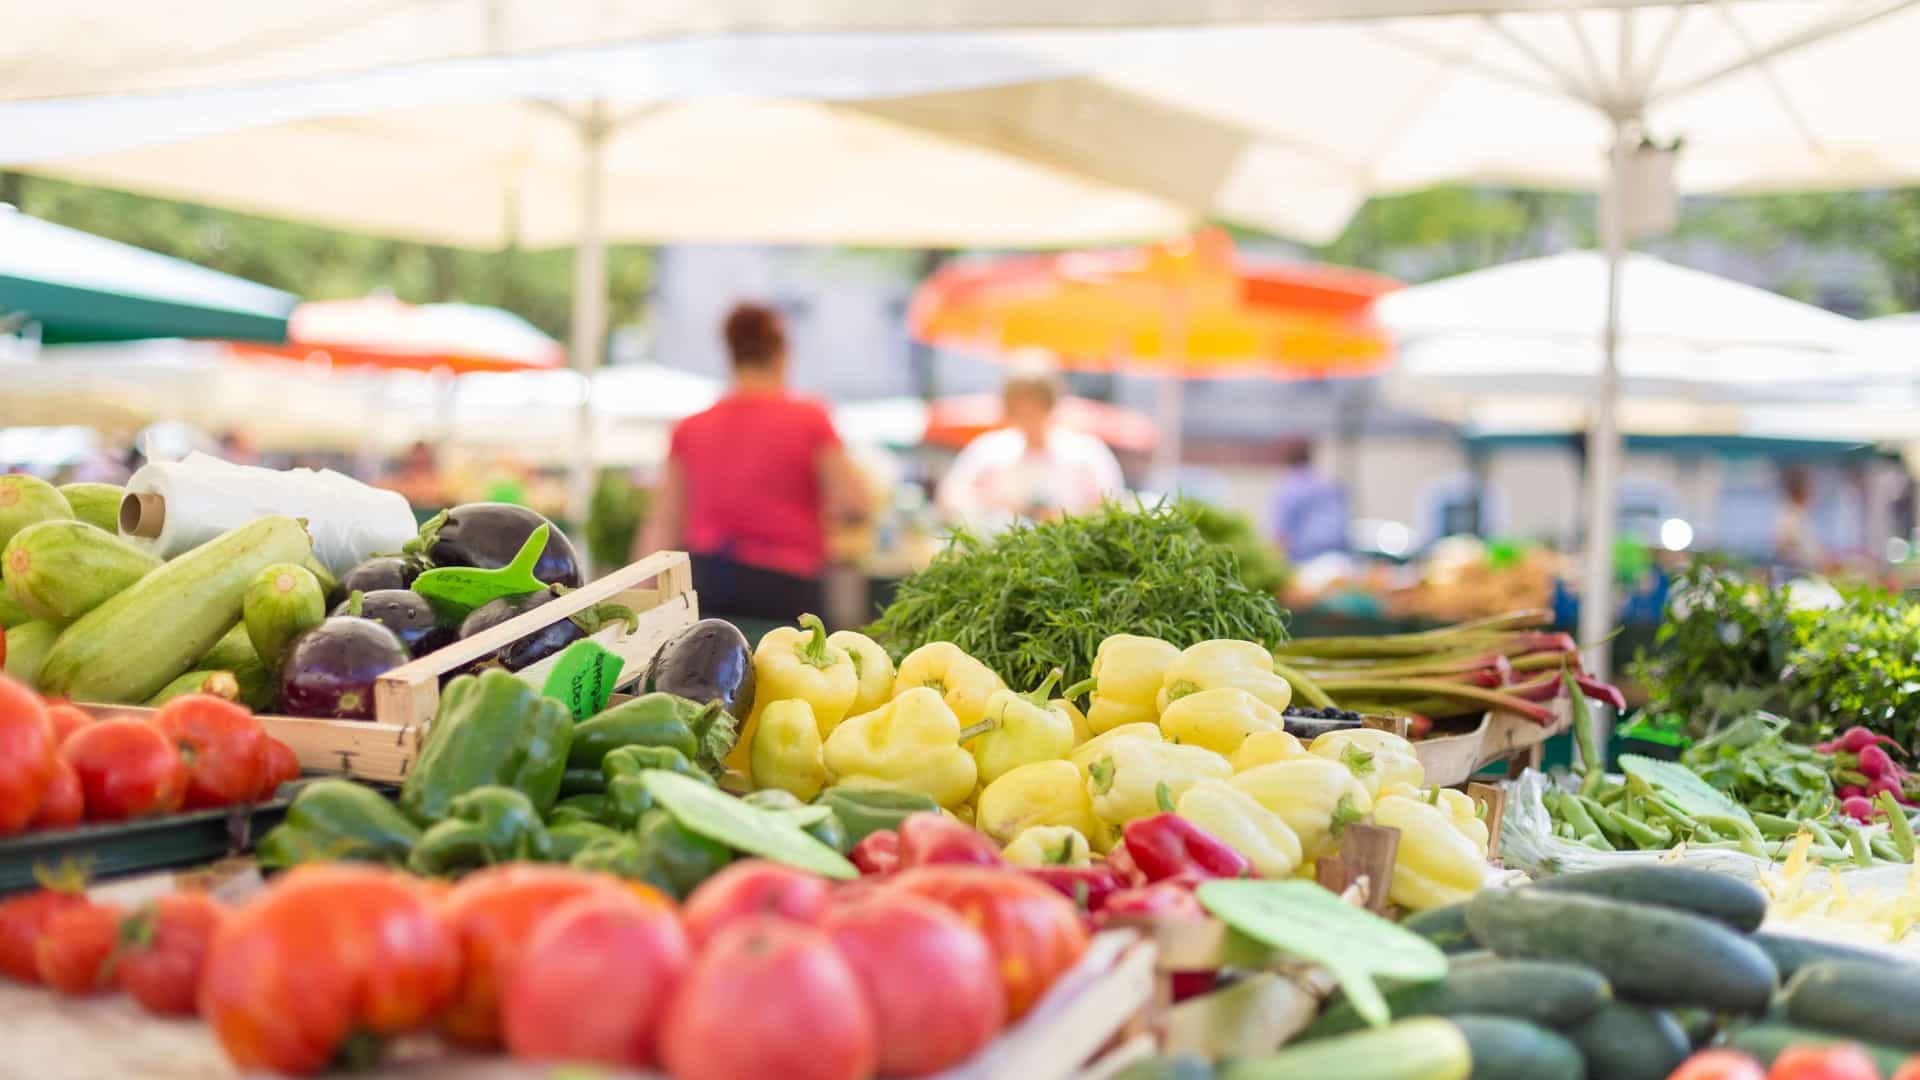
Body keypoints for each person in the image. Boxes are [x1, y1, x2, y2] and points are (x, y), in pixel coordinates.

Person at [638, 302, 869, 622]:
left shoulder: (691, 427)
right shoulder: (810, 419)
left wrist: (641, 597)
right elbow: (854, 502)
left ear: (732, 355)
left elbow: (664, 520)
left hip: (708, 582)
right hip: (788, 586)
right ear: (782, 354)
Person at [935, 352, 1127, 532]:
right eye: (1021, 406)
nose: (1028, 413)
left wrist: (1065, 515)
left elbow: (1112, 505)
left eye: (1036, 404)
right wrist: (993, 503)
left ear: (1050, 403)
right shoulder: (990, 451)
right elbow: (950, 496)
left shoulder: (1086, 454)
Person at [1267, 438, 1347, 560]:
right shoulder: (1329, 484)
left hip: (1302, 561)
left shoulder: (1288, 488)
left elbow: (1280, 534)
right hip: (1337, 559)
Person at [1774, 466, 1824, 569]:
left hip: (1809, 570)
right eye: (1809, 489)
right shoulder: (1789, 516)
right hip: (1799, 572)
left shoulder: (1800, 514)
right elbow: (1782, 548)